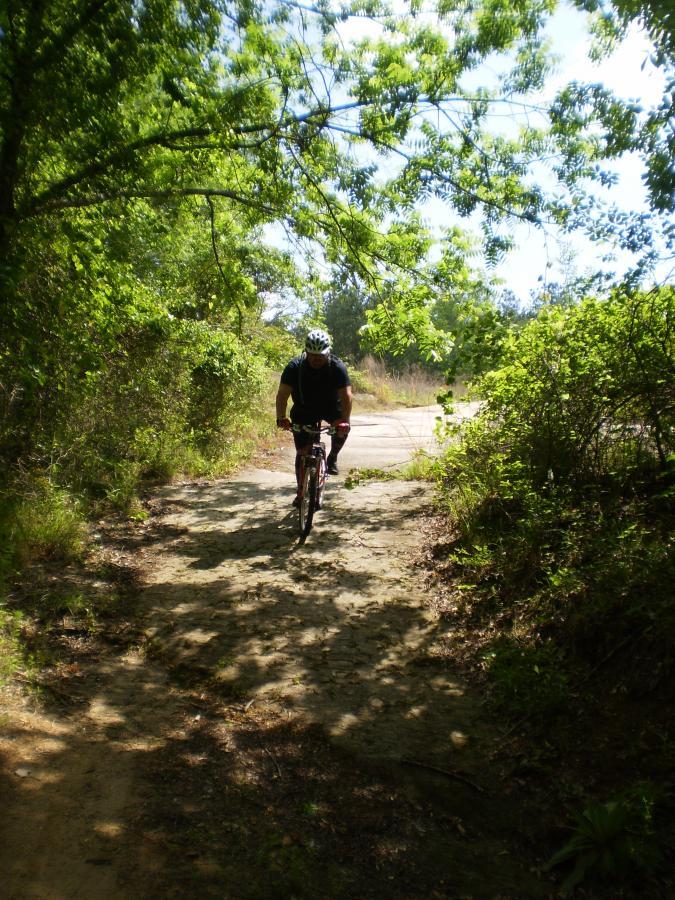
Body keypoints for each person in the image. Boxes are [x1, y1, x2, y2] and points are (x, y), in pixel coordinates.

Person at [276, 328, 352, 506]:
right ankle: (301, 490)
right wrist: (281, 418)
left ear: (328, 352)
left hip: (331, 407)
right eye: (312, 355)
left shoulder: (337, 367)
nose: (316, 359)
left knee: (342, 429)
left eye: (321, 355)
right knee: (302, 452)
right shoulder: (294, 367)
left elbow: (347, 397)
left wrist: (345, 422)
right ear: (306, 352)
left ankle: (332, 457)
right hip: (304, 408)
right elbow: (282, 395)